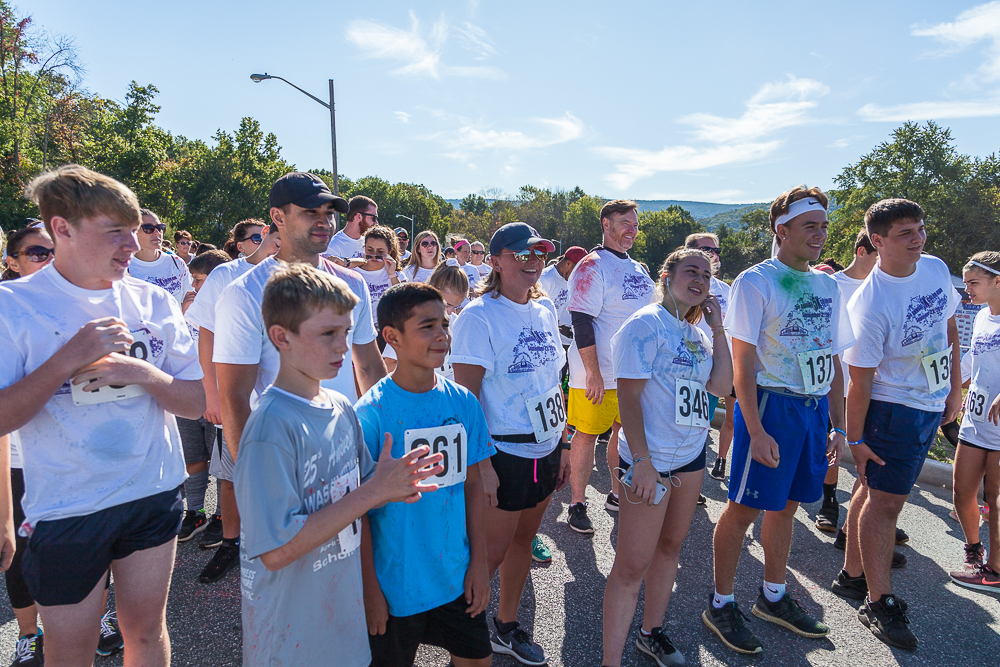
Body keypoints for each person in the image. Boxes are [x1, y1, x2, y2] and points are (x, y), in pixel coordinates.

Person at [0, 164, 206, 665]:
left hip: (153, 490)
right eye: (115, 231)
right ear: (62, 229)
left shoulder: (154, 300)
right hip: (67, 507)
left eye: (134, 230)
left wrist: (140, 372)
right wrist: (67, 359)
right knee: (71, 650)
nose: (132, 245)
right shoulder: (14, 307)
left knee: (145, 633)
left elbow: (197, 401)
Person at [234, 263, 443, 666]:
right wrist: (375, 491)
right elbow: (275, 550)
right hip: (289, 645)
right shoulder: (269, 429)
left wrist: (398, 481)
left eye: (346, 333)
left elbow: (366, 490)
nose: (342, 347)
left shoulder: (341, 406)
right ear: (281, 337)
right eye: (328, 334)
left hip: (343, 630)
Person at [213, 173, 386, 583]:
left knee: (357, 577)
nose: (324, 221)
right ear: (277, 217)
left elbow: (370, 369)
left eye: (329, 212)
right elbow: (233, 396)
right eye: (311, 212)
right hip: (285, 457)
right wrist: (255, 484)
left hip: (349, 449)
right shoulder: (245, 293)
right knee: (294, 584)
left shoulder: (352, 283)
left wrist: (386, 449)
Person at [704, 186, 853, 655]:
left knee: (787, 507)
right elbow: (743, 364)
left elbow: (832, 359)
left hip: (812, 410)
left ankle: (773, 595)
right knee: (744, 507)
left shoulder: (828, 285)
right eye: (810, 226)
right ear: (781, 230)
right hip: (771, 406)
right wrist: (755, 428)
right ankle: (721, 603)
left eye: (824, 226)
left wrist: (838, 425)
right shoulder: (757, 281)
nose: (820, 234)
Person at [831, 198, 961, 650]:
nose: (918, 239)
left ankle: (852, 575)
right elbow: (860, 381)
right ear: (877, 241)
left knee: (872, 492)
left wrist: (954, 388)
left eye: (920, 229)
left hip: (930, 400)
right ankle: (877, 600)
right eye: (905, 233)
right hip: (894, 409)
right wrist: (855, 438)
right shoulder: (870, 303)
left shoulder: (935, 267)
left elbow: (948, 326)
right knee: (885, 504)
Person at [602, 248, 732, 667]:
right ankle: (610, 661)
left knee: (670, 547)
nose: (700, 280)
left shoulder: (698, 334)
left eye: (706, 276)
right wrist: (641, 461)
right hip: (650, 461)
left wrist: (718, 327)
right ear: (666, 276)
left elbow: (721, 387)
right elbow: (628, 398)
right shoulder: (646, 324)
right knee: (631, 565)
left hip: (689, 459)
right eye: (691, 271)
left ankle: (651, 632)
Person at [358, 283, 494, 667]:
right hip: (394, 585)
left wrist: (479, 563)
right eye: (427, 326)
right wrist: (369, 589)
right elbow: (358, 512)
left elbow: (472, 486)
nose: (442, 335)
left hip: (454, 577)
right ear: (392, 337)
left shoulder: (463, 402)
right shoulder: (370, 414)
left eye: (444, 324)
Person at [452, 222, 570, 665]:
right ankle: (463, 644)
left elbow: (554, 381)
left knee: (524, 541)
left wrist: (564, 443)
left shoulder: (544, 310)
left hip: (545, 448)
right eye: (522, 254)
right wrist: (482, 465)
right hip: (502, 453)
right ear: (496, 262)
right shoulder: (478, 315)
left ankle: (505, 626)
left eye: (540, 253)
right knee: (489, 555)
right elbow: (465, 399)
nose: (533, 261)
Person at [183, 220, 279, 568]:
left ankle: (265, 544)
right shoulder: (227, 274)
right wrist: (212, 396)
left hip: (278, 404)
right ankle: (230, 542)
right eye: (273, 238)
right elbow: (205, 333)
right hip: (236, 400)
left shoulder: (299, 274)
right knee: (231, 476)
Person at [566, 200, 655, 533]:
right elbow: (581, 320)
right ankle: (577, 503)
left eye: (635, 225)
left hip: (632, 374)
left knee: (623, 434)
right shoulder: (591, 265)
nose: (632, 230)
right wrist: (593, 372)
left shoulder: (639, 268)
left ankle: (617, 495)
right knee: (587, 435)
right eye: (624, 223)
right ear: (606, 224)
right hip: (597, 373)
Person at [949, 251, 1000, 592]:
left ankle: (995, 570)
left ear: (998, 281)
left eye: (973, 282)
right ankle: (974, 551)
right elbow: (971, 362)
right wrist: (949, 389)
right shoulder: (982, 316)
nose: (967, 289)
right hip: (975, 420)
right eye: (966, 282)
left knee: (995, 499)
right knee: (962, 491)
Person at [821, 231, 878, 536]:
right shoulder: (832, 284)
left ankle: (870, 511)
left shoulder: (882, 285)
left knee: (869, 449)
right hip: (835, 381)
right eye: (878, 253)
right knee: (833, 445)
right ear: (862, 251)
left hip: (872, 385)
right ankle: (829, 502)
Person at [174, 249, 231, 545]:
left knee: (221, 463)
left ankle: (222, 517)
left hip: (218, 400)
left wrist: (216, 397)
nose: (193, 286)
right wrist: (182, 315)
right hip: (189, 395)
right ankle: (195, 512)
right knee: (193, 458)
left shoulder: (231, 308)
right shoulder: (186, 308)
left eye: (198, 280)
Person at [683, 233, 733, 489]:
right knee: (682, 426)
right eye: (706, 249)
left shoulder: (726, 290)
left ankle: (692, 485)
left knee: (701, 425)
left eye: (716, 250)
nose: (714, 254)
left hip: (714, 370)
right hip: (684, 367)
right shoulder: (679, 285)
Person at [382, 262, 469, 377]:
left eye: (456, 307)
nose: (450, 312)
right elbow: (390, 365)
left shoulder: (456, 322)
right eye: (447, 304)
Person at [128, 208, 193, 307]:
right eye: (148, 228)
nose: (157, 232)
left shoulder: (177, 263)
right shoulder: (123, 267)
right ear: (133, 232)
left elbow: (190, 301)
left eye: (160, 227)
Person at [356, 225, 403, 350]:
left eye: (380, 252)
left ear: (389, 252)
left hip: (386, 331)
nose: (374, 256)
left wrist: (391, 274)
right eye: (370, 250)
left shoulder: (396, 274)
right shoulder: (353, 272)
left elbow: (404, 301)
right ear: (364, 248)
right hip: (360, 330)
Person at [538, 246, 587, 350]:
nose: (577, 276)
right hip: (542, 339)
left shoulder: (567, 279)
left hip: (559, 339)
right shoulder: (545, 279)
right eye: (576, 271)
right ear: (568, 264)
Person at [325, 194, 378, 262]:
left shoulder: (368, 242)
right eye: (374, 218)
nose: (376, 223)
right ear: (359, 216)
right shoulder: (334, 246)